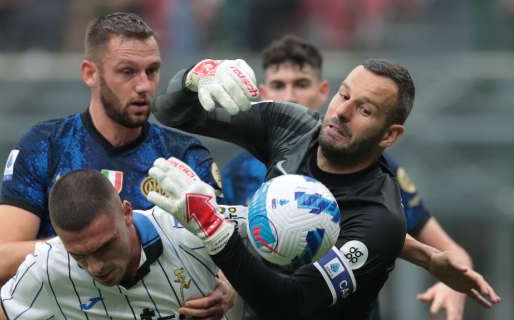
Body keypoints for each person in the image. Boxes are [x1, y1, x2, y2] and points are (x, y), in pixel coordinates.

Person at [151, 58, 500, 318]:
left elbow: (291, 303)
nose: (342, 112)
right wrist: (197, 76)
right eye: (343, 94)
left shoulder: (379, 220)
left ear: (390, 135)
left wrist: (213, 228)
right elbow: (173, 113)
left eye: (364, 109)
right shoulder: (291, 126)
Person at [0, 11, 232, 319]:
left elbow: (224, 250)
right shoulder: (45, 145)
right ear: (90, 73)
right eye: (127, 72)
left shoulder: (184, 156)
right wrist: (88, 244)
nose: (144, 85)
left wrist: (226, 290)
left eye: (152, 71)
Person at [222, 35, 474, 320]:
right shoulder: (240, 171)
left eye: (301, 84)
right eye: (279, 86)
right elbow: (235, 234)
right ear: (264, 92)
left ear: (322, 91)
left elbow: (440, 249)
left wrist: (446, 277)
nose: (289, 97)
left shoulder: (378, 174)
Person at [0, 169, 245, 320]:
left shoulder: (187, 230)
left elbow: (272, 231)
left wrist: (232, 280)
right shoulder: (48, 266)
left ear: (127, 212)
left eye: (104, 246)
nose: (95, 267)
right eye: (79, 256)